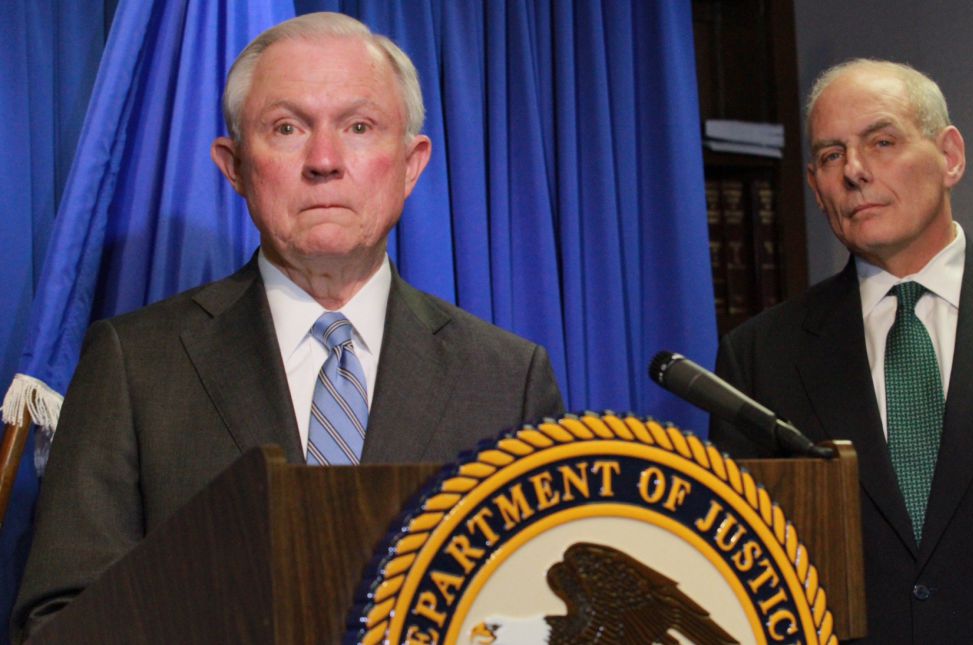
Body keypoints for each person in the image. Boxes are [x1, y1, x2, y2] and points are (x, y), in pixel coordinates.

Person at [12, 12, 563, 640]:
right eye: (287, 128)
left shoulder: (506, 379)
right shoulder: (135, 365)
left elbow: (539, 618)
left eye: (358, 127)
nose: (324, 160)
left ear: (411, 164)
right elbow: (55, 627)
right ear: (235, 165)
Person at [711, 59, 973, 643]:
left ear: (950, 156)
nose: (855, 171)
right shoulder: (758, 356)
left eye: (881, 141)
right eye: (832, 156)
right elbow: (747, 565)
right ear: (815, 185)